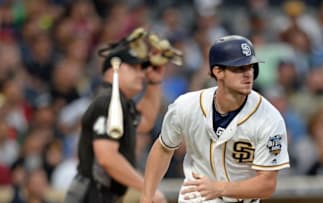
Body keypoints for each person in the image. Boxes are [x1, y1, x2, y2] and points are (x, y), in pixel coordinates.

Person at [141, 35, 290, 203]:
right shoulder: (187, 105)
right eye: (239, 68)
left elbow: (267, 184)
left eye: (250, 67)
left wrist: (219, 188)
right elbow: (164, 147)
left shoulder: (268, 118)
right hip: (196, 198)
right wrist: (147, 197)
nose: (248, 74)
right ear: (218, 71)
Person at [64, 28, 170, 203]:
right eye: (134, 67)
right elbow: (107, 157)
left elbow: (145, 121)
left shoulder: (120, 102)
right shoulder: (107, 102)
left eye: (142, 68)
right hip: (92, 194)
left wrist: (154, 82)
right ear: (114, 70)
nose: (141, 74)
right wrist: (147, 188)